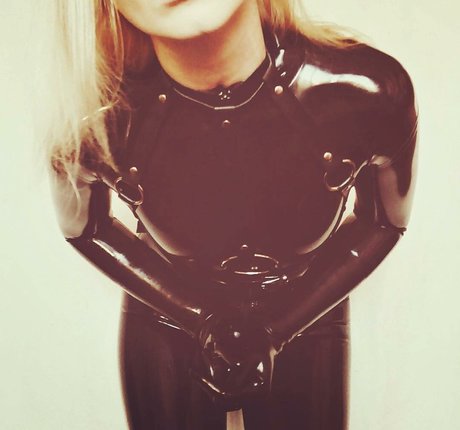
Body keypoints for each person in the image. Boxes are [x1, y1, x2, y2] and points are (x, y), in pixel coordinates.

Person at [46, 0, 418, 429]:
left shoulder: (369, 93)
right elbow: (84, 229)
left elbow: (384, 222)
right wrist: (199, 320)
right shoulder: (93, 123)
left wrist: (278, 330)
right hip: (165, 316)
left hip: (308, 311)